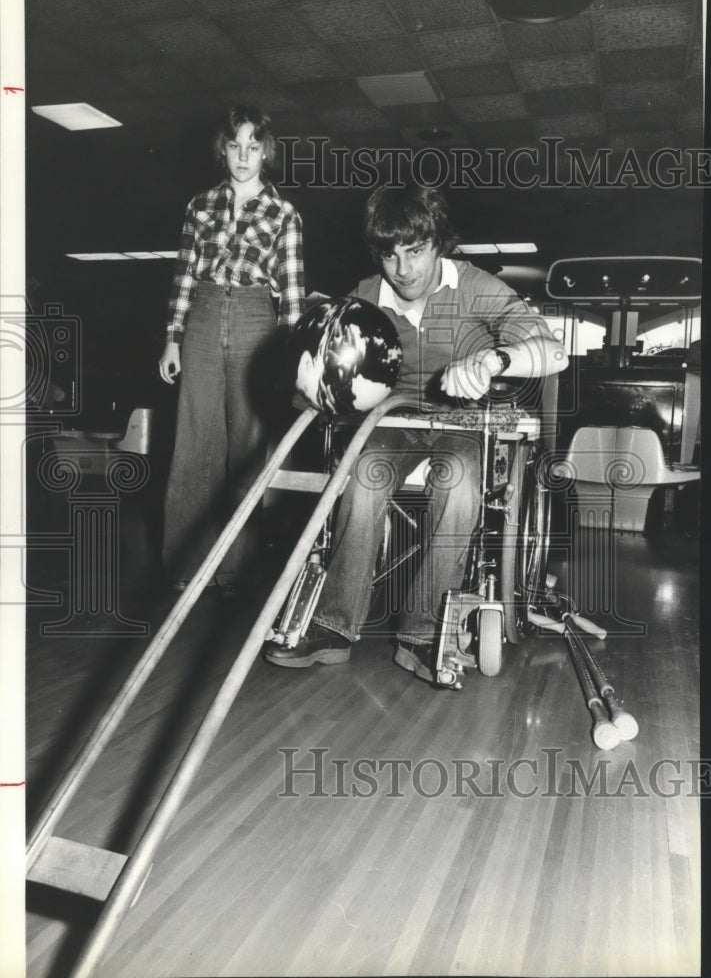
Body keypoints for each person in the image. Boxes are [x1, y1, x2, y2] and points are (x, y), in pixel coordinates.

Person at [264, 184, 567, 680]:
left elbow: (554, 351)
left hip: (462, 423)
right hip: (393, 423)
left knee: (458, 479)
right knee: (363, 471)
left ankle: (423, 635)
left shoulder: (474, 286)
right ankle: (333, 626)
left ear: (438, 242)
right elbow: (320, 381)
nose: (403, 270)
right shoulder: (364, 297)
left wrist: (496, 359)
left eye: (415, 250)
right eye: (389, 254)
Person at [159, 104, 305, 596]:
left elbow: (292, 294)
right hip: (201, 316)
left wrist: (290, 358)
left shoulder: (285, 213)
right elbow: (182, 276)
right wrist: (172, 339)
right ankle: (185, 565)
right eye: (235, 145)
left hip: (254, 318)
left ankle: (235, 573)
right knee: (195, 444)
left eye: (253, 146)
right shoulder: (198, 206)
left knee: (247, 448)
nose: (244, 155)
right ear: (222, 150)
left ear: (266, 152)